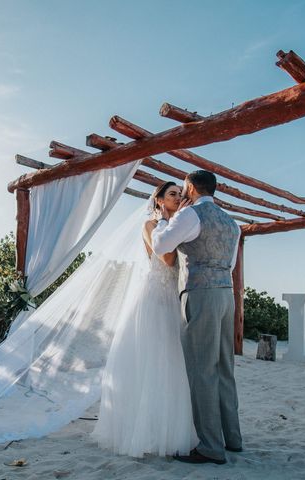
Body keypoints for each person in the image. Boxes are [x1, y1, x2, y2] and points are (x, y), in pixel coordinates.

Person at [92, 181, 198, 458]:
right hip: (154, 299)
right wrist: (176, 224)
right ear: (160, 200)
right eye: (173, 194)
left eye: (181, 195)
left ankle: (168, 428)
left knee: (173, 364)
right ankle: (145, 431)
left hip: (175, 300)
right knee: (157, 361)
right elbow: (167, 259)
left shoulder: (180, 226)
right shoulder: (151, 226)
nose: (178, 198)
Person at [151, 170, 242, 465]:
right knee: (225, 367)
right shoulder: (232, 223)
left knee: (202, 370)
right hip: (227, 295)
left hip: (200, 294)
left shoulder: (189, 215)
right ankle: (233, 438)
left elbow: (162, 246)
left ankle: (211, 447)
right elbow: (229, 264)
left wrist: (163, 221)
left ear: (190, 186)